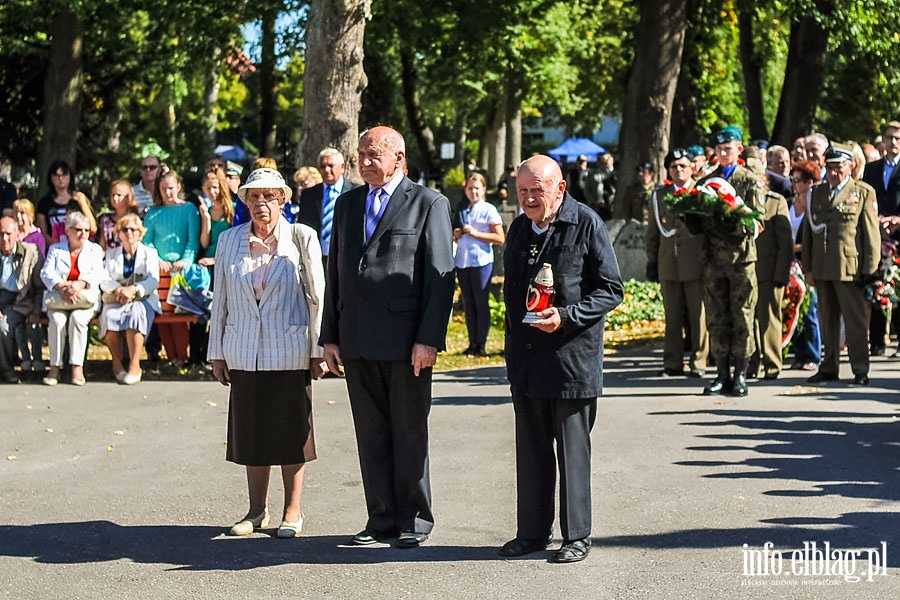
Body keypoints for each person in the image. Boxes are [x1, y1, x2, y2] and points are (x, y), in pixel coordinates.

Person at [321, 126, 455, 549]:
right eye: (360, 154)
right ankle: (380, 518)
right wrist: (330, 337)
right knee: (371, 433)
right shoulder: (347, 204)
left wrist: (428, 338)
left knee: (408, 432)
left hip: (406, 343)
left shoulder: (429, 203)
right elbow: (336, 274)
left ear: (398, 157)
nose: (363, 161)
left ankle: (414, 519)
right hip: (357, 339)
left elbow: (440, 279)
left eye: (372, 154)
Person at [500, 154, 623, 563]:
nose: (530, 199)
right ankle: (532, 534)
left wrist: (567, 317)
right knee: (532, 454)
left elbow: (611, 289)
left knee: (572, 454)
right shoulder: (518, 229)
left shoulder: (586, 223)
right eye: (523, 191)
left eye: (538, 190)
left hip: (572, 361)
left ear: (560, 188)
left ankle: (576, 537)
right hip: (527, 362)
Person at [208, 168, 326, 539]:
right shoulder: (228, 240)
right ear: (244, 201)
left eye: (270, 196)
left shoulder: (302, 237)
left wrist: (318, 349)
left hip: (290, 348)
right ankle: (256, 511)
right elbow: (220, 300)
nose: (262, 203)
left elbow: (317, 296)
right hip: (243, 350)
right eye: (254, 196)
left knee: (292, 433)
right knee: (251, 433)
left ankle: (293, 511)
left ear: (283, 200)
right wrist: (217, 352)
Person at [801, 143, 880, 385]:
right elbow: (808, 233)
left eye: (838, 168)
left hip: (850, 268)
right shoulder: (817, 193)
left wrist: (870, 269)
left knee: (855, 322)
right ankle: (829, 366)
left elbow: (871, 234)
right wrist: (808, 268)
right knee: (828, 320)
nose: (833, 173)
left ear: (850, 167)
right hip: (823, 266)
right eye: (830, 167)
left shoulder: (863, 192)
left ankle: (860, 368)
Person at [696, 125, 763, 397]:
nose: (724, 152)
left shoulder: (748, 180)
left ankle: (741, 374)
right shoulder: (706, 182)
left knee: (742, 317)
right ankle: (721, 374)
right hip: (713, 261)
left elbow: (757, 222)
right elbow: (697, 220)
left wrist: (730, 221)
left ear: (739, 148)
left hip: (741, 261)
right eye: (720, 148)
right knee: (717, 317)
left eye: (729, 148)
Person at [646, 148, 708, 377]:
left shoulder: (701, 192)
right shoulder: (659, 195)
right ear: (668, 171)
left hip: (696, 265)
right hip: (669, 264)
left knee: (698, 316)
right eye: (674, 167)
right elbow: (653, 232)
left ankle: (699, 362)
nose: (679, 170)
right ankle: (672, 363)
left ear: (692, 167)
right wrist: (652, 261)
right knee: (672, 317)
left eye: (683, 165)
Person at [40, 212, 105, 386]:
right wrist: (62, 286)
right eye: (78, 229)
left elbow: (99, 273)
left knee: (77, 319)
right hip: (59, 299)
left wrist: (80, 284)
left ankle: (77, 367)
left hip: (85, 300)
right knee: (57, 320)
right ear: (68, 230)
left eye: (86, 230)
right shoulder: (56, 249)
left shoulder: (95, 249)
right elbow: (46, 272)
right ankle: (55, 368)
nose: (83, 233)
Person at [142, 164, 199, 363]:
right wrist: (157, 259)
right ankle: (170, 356)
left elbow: (192, 240)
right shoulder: (153, 213)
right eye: (163, 188)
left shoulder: (188, 209)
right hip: (159, 269)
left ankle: (182, 356)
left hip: (181, 269)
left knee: (179, 314)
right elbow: (146, 240)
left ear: (178, 186)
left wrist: (185, 260)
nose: (167, 192)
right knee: (163, 315)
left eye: (171, 187)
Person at [99, 214, 161, 385]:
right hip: (117, 298)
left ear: (140, 233)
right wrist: (118, 289)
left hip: (143, 299)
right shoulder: (112, 254)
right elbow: (104, 278)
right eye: (124, 229)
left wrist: (133, 290)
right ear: (118, 233)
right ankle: (117, 364)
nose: (129, 233)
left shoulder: (150, 253)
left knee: (136, 313)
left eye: (133, 229)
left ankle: (135, 365)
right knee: (110, 315)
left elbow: (153, 281)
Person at [452, 172, 505, 358]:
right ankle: (471, 342)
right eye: (470, 189)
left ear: (483, 190)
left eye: (477, 188)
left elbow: (499, 238)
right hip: (463, 260)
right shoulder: (463, 209)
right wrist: (457, 234)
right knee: (468, 303)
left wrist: (476, 233)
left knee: (480, 302)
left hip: (481, 260)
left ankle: (481, 344)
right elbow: (455, 235)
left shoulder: (489, 209)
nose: (473, 192)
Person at [862, 121, 900, 355]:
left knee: (898, 288)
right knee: (876, 286)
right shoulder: (872, 169)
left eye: (898, 138)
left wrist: (898, 219)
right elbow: (866, 199)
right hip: (877, 235)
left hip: (899, 236)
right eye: (889, 138)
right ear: (883, 141)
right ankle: (877, 342)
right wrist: (875, 219)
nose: (893, 142)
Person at [748, 181, 793, 380]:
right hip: (745, 271)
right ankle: (750, 363)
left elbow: (785, 243)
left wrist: (781, 274)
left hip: (769, 271)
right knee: (748, 321)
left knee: (769, 320)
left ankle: (772, 364)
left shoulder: (775, 202)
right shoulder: (739, 201)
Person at [0, 216, 44, 382]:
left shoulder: (30, 252)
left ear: (17, 234)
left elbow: (39, 288)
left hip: (19, 303)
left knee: (3, 327)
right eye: (1, 234)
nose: (4, 238)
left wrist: (36, 311)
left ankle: (6, 370)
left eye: (8, 234)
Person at [787, 161, 822, 370]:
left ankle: (812, 355)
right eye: (792, 180)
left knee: (810, 309)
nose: (794, 184)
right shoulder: (789, 202)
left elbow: (815, 237)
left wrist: (797, 248)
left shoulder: (815, 205)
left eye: (797, 181)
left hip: (806, 262)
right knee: (794, 307)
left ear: (810, 182)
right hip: (788, 263)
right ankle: (799, 354)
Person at [297, 149, 359, 263]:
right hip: (316, 258)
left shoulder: (357, 193)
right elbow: (303, 226)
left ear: (342, 167)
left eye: (330, 165)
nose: (326, 170)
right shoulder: (309, 195)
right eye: (322, 166)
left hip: (346, 257)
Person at [36, 160, 97, 248]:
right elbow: (43, 232)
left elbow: (93, 228)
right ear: (51, 178)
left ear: (70, 176)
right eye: (56, 175)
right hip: (56, 248)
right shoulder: (44, 202)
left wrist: (83, 203)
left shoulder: (79, 198)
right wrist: (57, 246)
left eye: (64, 174)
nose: (60, 179)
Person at [98, 180, 140, 251]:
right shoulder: (106, 220)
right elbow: (102, 245)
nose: (115, 198)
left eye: (119, 195)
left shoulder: (136, 219)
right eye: (113, 195)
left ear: (127, 197)